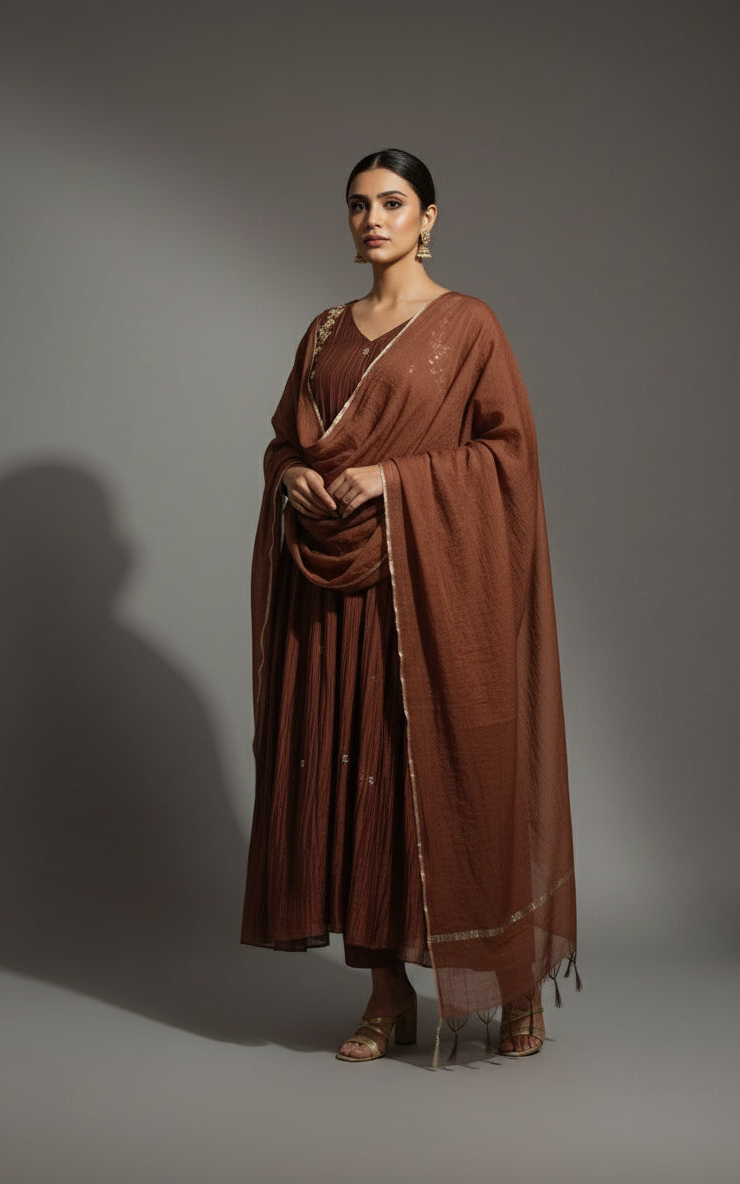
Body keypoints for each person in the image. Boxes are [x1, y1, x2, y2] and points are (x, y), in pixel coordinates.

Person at [241, 149, 579, 1066]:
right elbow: (284, 441)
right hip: (332, 599)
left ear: (429, 218)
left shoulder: (467, 325)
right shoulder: (322, 332)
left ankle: (512, 985)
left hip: (430, 594)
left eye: (392, 203)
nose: (372, 220)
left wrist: (394, 478)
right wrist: (293, 478)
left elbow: (509, 456)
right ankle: (386, 994)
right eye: (359, 205)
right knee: (355, 785)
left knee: (461, 780)